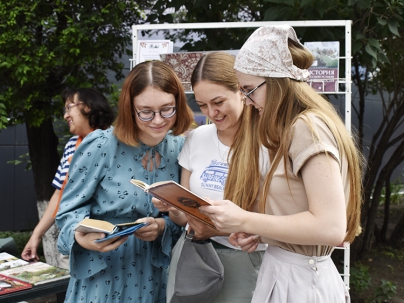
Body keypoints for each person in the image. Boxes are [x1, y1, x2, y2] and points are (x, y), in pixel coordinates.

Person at [199, 25, 363, 302]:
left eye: (250, 90)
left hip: (300, 283)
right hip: (291, 274)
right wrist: (258, 231)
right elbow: (299, 211)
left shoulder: (305, 126)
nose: (247, 102)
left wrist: (244, 219)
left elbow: (330, 227)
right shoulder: (301, 125)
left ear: (276, 81)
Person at [55, 60, 194, 303]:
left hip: (158, 280)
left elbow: (187, 221)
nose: (158, 120)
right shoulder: (100, 145)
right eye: (146, 111)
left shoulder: (183, 149)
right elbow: (67, 214)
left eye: (167, 109)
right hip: (104, 279)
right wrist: (80, 237)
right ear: (130, 108)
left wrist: (162, 227)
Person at [153, 52, 266, 303]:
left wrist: (226, 229)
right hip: (193, 258)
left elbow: (277, 217)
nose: (211, 112)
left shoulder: (268, 142)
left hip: (243, 260)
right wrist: (172, 205)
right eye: (202, 105)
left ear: (241, 91)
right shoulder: (197, 137)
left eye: (218, 102)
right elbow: (182, 217)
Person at [21, 88, 114, 269]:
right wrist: (36, 235)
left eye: (68, 108)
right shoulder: (72, 145)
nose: (65, 116)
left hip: (111, 242)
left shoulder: (117, 141)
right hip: (74, 241)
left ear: (87, 107)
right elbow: (60, 194)